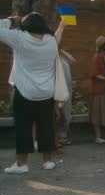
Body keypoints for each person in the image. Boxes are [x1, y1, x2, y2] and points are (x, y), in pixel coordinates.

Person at [2, 13, 65, 173]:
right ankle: (48, 161)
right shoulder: (50, 41)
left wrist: (11, 20)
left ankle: (22, 164)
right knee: (46, 126)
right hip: (46, 92)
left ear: (26, 25)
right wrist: (62, 25)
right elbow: (57, 37)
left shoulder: (20, 38)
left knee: (23, 127)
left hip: (24, 91)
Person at [56, 49, 76, 146]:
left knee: (66, 112)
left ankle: (63, 136)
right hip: (58, 88)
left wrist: (61, 50)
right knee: (59, 113)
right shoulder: (51, 58)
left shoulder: (63, 58)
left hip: (67, 88)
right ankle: (58, 138)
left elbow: (72, 60)